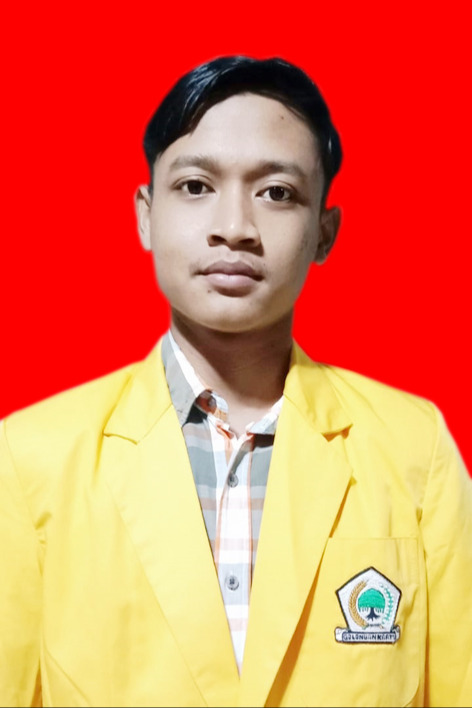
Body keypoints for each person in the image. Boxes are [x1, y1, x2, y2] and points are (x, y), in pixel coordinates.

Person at [0, 56, 471, 708]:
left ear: (324, 232)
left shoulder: (413, 448)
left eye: (277, 193)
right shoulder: (31, 457)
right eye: (196, 186)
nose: (235, 228)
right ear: (146, 215)